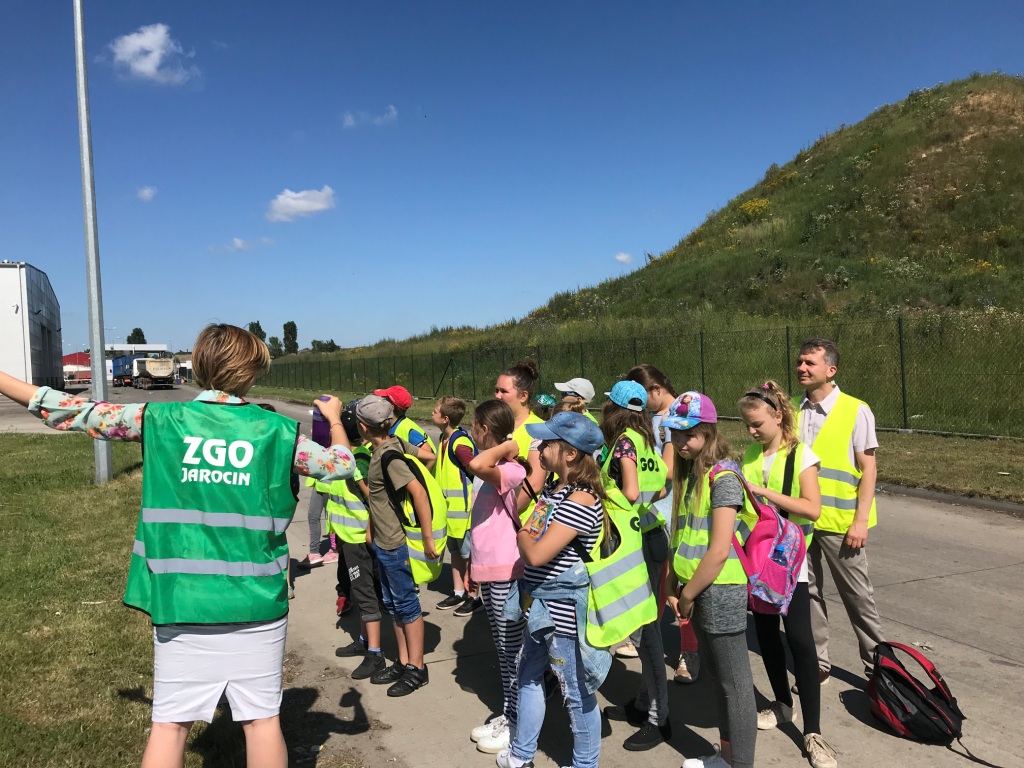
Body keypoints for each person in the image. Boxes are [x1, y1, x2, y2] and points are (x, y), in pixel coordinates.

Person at [0, 323, 358, 768]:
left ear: (203, 365)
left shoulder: (156, 419)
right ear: (249, 374)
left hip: (180, 597)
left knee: (170, 725)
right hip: (256, 600)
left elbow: (68, 410)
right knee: (263, 721)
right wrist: (337, 419)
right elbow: (340, 466)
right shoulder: (279, 433)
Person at [497, 412, 611, 768]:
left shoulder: (582, 499)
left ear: (571, 454)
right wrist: (528, 532)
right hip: (541, 606)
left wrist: (521, 533)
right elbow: (533, 535)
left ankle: (585, 764)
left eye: (548, 444)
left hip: (564, 611)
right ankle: (521, 756)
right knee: (527, 674)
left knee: (576, 693)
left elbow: (535, 550)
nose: (540, 449)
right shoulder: (555, 490)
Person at [739, 383, 838, 768]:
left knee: (800, 641)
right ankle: (782, 704)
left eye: (757, 424)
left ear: (778, 417)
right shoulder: (749, 454)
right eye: (747, 426)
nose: (751, 432)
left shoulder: (802, 456)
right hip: (757, 561)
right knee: (765, 635)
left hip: (790, 564)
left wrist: (762, 492)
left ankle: (813, 733)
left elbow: (812, 509)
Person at [664, 392, 758, 768]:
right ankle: (729, 756)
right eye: (675, 434)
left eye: (689, 435)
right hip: (696, 589)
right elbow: (683, 534)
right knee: (721, 682)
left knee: (735, 687)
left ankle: (741, 765)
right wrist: (673, 584)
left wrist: (686, 595)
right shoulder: (691, 475)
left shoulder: (724, 478)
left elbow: (719, 550)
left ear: (709, 431)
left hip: (718, 591)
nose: (681, 442)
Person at [795, 338, 885, 683]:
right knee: (809, 593)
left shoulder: (855, 410)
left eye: (810, 363)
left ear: (830, 370)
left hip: (842, 523)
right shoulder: (791, 408)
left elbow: (869, 468)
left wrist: (860, 521)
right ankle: (818, 662)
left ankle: (878, 668)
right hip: (802, 522)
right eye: (800, 362)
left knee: (858, 597)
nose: (802, 368)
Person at [599, 380, 671, 751]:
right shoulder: (646, 441)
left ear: (616, 409)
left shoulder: (624, 441)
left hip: (635, 544)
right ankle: (645, 702)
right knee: (647, 629)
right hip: (650, 533)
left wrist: (599, 489)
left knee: (647, 634)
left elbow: (628, 492)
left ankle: (660, 718)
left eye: (607, 404)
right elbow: (660, 487)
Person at [356, 394, 437, 697]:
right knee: (392, 604)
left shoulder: (388, 457)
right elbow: (428, 457)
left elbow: (418, 492)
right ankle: (403, 661)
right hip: (382, 540)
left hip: (394, 543)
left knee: (406, 605)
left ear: (363, 427)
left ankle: (418, 667)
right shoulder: (394, 445)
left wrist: (427, 537)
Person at [626, 363, 699, 683]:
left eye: (643, 398)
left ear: (656, 389)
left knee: (677, 587)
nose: (640, 406)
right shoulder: (648, 418)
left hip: (671, 512)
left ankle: (689, 652)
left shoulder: (678, 415)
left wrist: (635, 490)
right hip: (649, 514)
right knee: (651, 584)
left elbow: (668, 471)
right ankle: (642, 639)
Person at [464, 400, 530, 755]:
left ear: (483, 429)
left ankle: (518, 722)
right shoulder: (496, 467)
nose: (472, 432)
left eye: (475, 426)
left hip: (506, 569)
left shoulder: (508, 469)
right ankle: (509, 713)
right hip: (489, 569)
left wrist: (507, 445)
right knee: (504, 651)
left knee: (512, 651)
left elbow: (476, 463)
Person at [331, 400, 389, 682]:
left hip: (358, 540)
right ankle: (364, 641)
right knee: (360, 590)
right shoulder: (346, 460)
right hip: (348, 538)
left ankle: (375, 653)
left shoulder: (357, 463)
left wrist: (368, 533)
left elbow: (373, 499)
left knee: (366, 595)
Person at [431, 396, 480, 616]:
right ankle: (458, 591)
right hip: (449, 512)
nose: (432, 413)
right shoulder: (444, 438)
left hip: (464, 513)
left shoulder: (460, 444)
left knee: (469, 555)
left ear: (445, 418)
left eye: (435, 411)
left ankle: (474, 596)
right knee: (455, 552)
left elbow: (476, 470)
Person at [494, 361, 545, 521]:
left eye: (504, 391)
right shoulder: (497, 425)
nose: (497, 396)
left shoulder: (538, 429)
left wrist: (503, 514)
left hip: (521, 521)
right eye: (496, 390)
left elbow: (535, 484)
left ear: (523, 396)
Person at [374, 384, 437, 471]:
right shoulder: (389, 425)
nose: (380, 402)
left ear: (391, 407)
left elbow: (430, 456)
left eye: (384, 399)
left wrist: (419, 481)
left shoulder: (408, 429)